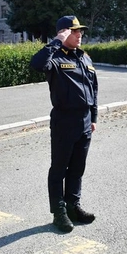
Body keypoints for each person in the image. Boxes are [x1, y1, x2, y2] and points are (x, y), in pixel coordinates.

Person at [30, 15, 98, 233]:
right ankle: (58, 212)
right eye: (74, 31)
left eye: (80, 31)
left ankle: (73, 206)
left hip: (85, 121)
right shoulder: (55, 57)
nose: (79, 35)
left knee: (78, 168)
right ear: (63, 33)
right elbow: (36, 64)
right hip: (64, 121)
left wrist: (94, 117)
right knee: (59, 168)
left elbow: (93, 88)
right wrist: (56, 41)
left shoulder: (84, 57)